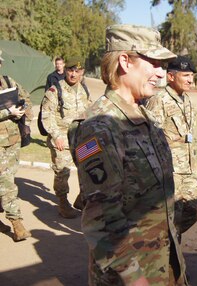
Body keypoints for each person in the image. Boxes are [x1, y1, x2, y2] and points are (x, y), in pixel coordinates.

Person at [68, 24, 187, 285]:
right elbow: (102, 219)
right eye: (154, 62)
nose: (161, 72)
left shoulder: (145, 116)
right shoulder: (98, 127)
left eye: (162, 65)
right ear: (124, 61)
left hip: (162, 262)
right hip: (129, 274)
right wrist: (134, 278)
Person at [144, 56, 197, 237]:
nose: (190, 80)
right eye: (185, 75)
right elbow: (150, 138)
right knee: (172, 217)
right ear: (170, 77)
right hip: (170, 172)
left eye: (192, 76)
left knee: (193, 211)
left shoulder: (186, 100)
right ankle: (168, 254)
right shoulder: (159, 100)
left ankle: (166, 242)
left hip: (189, 169)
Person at [40, 57, 91, 219]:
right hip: (62, 139)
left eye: (77, 71)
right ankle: (63, 203)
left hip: (81, 139)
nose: (73, 74)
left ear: (82, 73)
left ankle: (82, 199)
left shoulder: (84, 89)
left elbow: (88, 111)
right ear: (66, 71)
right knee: (62, 172)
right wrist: (56, 137)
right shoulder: (55, 91)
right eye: (70, 71)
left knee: (89, 168)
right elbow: (46, 116)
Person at [0, 49, 34, 241]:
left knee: (7, 179)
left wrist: (23, 112)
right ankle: (17, 222)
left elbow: (26, 98)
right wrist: (7, 113)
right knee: (7, 183)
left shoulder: (8, 81)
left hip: (12, 141)